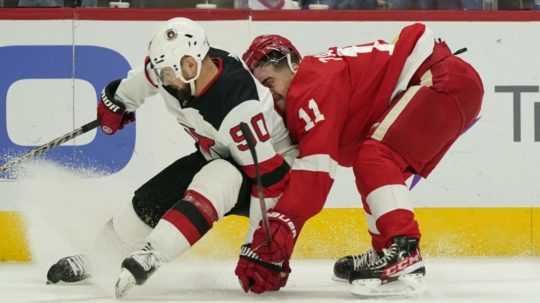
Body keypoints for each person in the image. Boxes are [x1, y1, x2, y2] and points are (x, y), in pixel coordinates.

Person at [45, 17, 297, 298]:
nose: (164, 80)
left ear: (193, 64)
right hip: (220, 155)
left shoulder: (238, 107)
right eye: (161, 72)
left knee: (219, 176)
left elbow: (270, 181)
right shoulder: (171, 71)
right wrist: (119, 101)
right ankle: (99, 256)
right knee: (150, 200)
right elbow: (144, 80)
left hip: (274, 171)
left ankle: (153, 254)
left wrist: (262, 249)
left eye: (170, 73)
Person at [239, 23, 483, 296]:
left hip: (440, 79)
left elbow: (314, 179)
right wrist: (277, 250)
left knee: (374, 156)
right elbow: (298, 181)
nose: (270, 97)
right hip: (449, 82)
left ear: (292, 64)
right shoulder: (311, 84)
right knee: (374, 164)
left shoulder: (310, 85)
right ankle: (388, 252)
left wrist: (274, 240)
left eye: (269, 83)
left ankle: (402, 250)